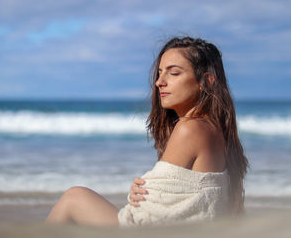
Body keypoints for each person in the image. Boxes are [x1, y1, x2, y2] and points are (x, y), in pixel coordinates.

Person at [46, 36, 248, 227]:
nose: (160, 82)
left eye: (174, 73)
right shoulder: (216, 129)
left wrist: (141, 196)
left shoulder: (190, 128)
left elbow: (147, 216)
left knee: (74, 197)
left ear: (207, 81)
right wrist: (144, 191)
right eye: (159, 72)